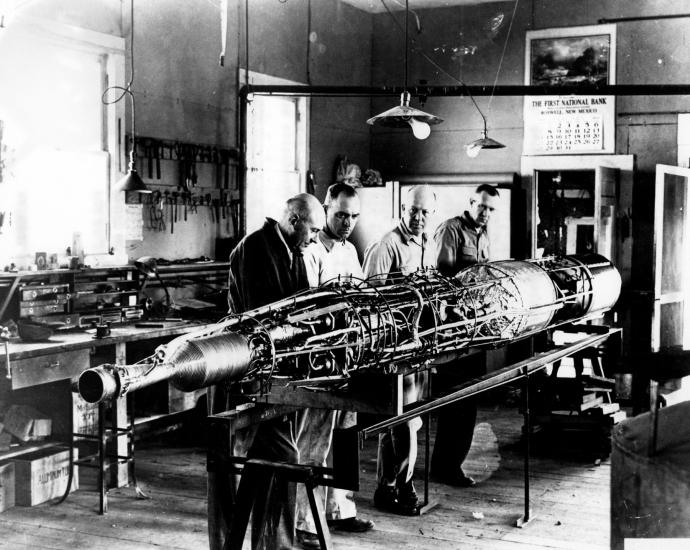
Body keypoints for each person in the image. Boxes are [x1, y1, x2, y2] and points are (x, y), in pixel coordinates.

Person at [208, 193, 324, 550]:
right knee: (263, 463)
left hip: (273, 376)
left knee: (274, 462)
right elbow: (270, 319)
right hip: (242, 373)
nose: (315, 238)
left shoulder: (293, 252)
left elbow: (303, 306)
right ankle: (254, 546)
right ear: (293, 220)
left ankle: (268, 545)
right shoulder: (255, 250)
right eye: (313, 230)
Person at [295, 183, 374, 549]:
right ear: (326, 209)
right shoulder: (312, 251)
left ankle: (341, 511)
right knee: (316, 437)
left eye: (354, 216)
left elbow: (360, 296)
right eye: (341, 214)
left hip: (349, 355)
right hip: (320, 359)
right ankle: (305, 521)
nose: (347, 222)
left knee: (344, 435)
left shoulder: (350, 250)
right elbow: (309, 308)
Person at [362, 184, 437, 515]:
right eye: (413, 211)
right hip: (394, 348)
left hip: (419, 347)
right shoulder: (387, 246)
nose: (418, 218)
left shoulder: (425, 243)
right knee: (400, 421)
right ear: (402, 209)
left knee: (408, 420)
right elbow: (370, 302)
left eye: (425, 212)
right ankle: (401, 486)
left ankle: (388, 486)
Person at [430, 183, 500, 487]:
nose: (485, 213)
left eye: (491, 209)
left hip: (476, 329)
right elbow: (442, 279)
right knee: (454, 402)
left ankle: (452, 464)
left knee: (469, 400)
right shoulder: (451, 230)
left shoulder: (483, 234)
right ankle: (444, 468)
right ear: (470, 202)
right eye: (482, 206)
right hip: (454, 331)